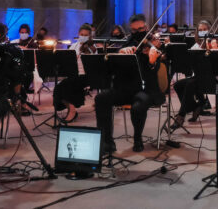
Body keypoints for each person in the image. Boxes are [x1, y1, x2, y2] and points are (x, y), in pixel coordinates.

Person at [95, 15, 165, 153]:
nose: (138, 32)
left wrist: (152, 62)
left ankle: (137, 138)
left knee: (137, 106)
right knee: (101, 98)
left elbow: (156, 70)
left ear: (146, 27)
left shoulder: (153, 45)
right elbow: (113, 65)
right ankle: (107, 142)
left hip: (147, 90)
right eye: (134, 30)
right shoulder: (128, 42)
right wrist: (120, 53)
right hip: (126, 89)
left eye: (141, 29)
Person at [53, 24, 96, 123]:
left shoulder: (92, 47)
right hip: (74, 74)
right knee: (59, 87)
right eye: (82, 34)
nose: (83, 36)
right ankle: (71, 109)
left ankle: (72, 111)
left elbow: (93, 65)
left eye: (86, 35)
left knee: (69, 85)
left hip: (85, 76)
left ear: (89, 36)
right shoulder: (73, 46)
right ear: (78, 34)